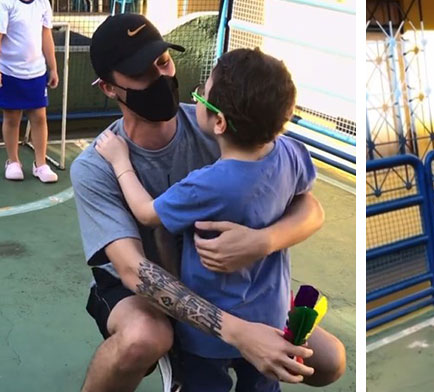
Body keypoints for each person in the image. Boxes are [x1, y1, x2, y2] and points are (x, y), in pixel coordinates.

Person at [70, 14, 345, 392]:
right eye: (142, 73)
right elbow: (134, 272)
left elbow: (311, 209)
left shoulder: (218, 125)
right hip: (144, 290)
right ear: (109, 88)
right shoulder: (98, 163)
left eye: (163, 62)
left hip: (224, 282)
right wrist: (241, 334)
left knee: (329, 361)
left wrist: (261, 242)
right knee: (144, 338)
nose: (163, 78)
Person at [0, 0, 59, 182]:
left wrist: (53, 68)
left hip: (37, 72)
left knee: (40, 117)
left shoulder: (43, 4)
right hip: (10, 71)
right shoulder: (5, 3)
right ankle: (13, 162)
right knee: (12, 117)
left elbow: (46, 34)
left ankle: (40, 165)